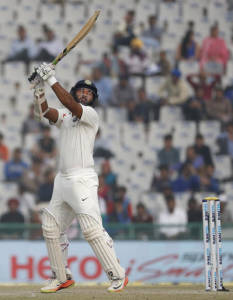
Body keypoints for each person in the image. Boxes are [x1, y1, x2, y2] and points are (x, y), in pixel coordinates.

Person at [29, 62, 128, 293]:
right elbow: (45, 112)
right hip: (62, 180)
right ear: (75, 92)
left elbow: (68, 104)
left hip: (83, 179)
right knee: (50, 227)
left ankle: (117, 275)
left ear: (93, 99)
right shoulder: (65, 115)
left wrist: (51, 79)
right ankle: (60, 276)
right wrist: (38, 88)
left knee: (91, 229)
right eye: (81, 91)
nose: (85, 94)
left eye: (89, 93)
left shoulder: (90, 115)